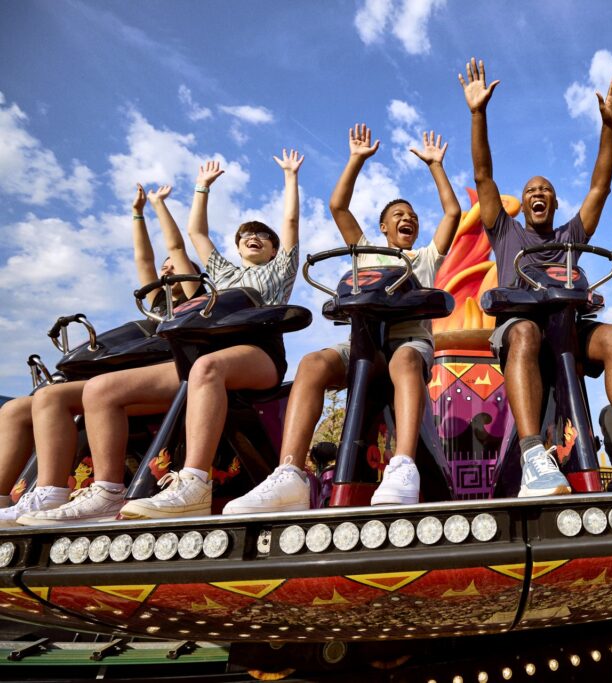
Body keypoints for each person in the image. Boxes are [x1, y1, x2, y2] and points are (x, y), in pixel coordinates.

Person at [19, 151, 304, 525]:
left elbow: (291, 220)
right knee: (98, 390)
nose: (255, 238)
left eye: (264, 237)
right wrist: (200, 188)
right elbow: (194, 235)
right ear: (234, 249)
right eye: (246, 235)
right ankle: (100, 491)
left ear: (273, 248)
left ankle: (194, 482)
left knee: (207, 366)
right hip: (199, 355)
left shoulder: (278, 271)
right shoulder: (219, 275)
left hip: (256, 351)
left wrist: (289, 176)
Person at [460, 57, 612, 496]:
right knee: (523, 332)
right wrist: (478, 113)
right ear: (522, 205)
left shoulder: (570, 235)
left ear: (555, 204)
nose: (537, 193)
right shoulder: (506, 232)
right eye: (530, 191)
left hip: (569, 328)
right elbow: (483, 174)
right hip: (523, 328)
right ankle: (532, 458)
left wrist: (609, 129)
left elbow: (599, 188)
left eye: (545, 190)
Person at [224, 126, 460, 513]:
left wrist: (436, 166)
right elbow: (338, 206)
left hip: (405, 344)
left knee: (404, 360)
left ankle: (403, 464)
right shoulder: (365, 251)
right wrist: (356, 160)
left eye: (413, 216)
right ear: (383, 227)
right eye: (399, 215)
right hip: (364, 343)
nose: (408, 219)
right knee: (313, 362)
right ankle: (290, 474)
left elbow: (452, 212)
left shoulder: (424, 258)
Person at [0, 184, 201, 525]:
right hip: (129, 378)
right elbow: (144, 259)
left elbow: (176, 247)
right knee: (23, 406)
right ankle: (16, 495)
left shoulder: (197, 302)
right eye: (164, 269)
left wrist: (157, 206)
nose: (166, 271)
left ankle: (66, 492)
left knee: (66, 396)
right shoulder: (155, 306)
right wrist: (137, 214)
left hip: (167, 376)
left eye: (174, 268)